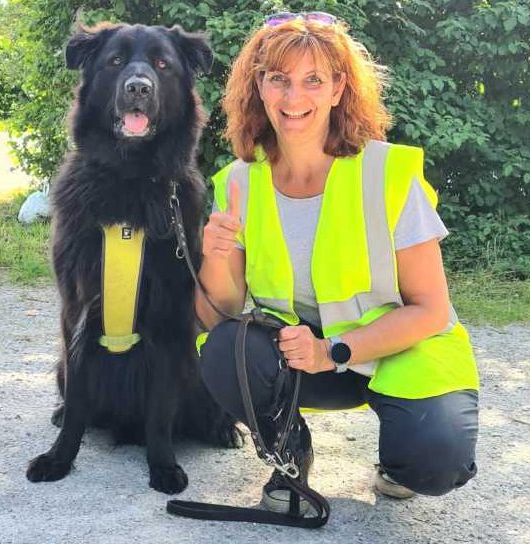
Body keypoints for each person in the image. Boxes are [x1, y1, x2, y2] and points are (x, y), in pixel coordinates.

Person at [195, 11, 479, 512]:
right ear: (259, 85)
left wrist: (335, 350)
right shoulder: (237, 182)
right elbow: (217, 313)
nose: (293, 97)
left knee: (436, 459)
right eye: (278, 79)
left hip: (394, 352)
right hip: (301, 358)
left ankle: (399, 463)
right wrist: (214, 257)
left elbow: (431, 310)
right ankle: (289, 456)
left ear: (338, 88)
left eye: (313, 80)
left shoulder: (388, 174)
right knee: (222, 348)